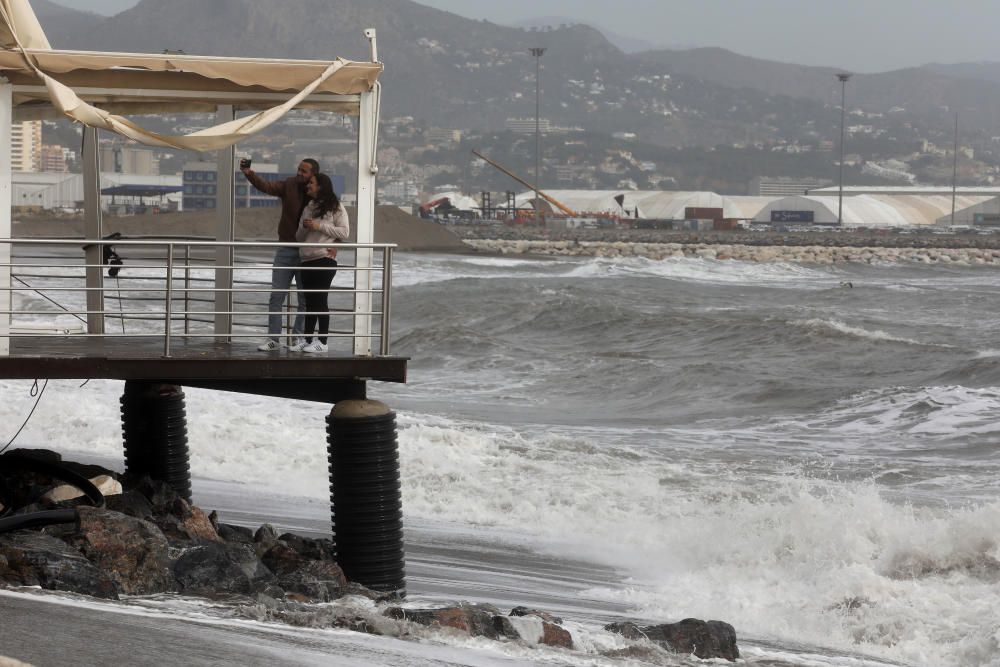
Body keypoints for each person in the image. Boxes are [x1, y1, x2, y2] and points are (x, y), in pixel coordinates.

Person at [240, 157, 319, 351]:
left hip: (308, 252)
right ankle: (273, 339)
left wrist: (334, 245)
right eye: (299, 169)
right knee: (276, 296)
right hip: (285, 249)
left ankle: (298, 339)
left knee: (305, 300)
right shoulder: (289, 184)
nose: (299, 173)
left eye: (304, 171)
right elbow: (267, 186)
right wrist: (249, 173)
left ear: (313, 175)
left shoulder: (319, 192)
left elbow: (333, 220)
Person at [290, 173, 350, 354]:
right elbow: (299, 237)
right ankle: (307, 340)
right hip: (306, 259)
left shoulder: (336, 206)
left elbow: (345, 232)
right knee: (309, 303)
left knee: (320, 301)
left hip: (324, 259)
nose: (308, 186)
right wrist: (305, 227)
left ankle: (322, 342)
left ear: (322, 186)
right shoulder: (309, 206)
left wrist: (319, 226)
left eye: (312, 183)